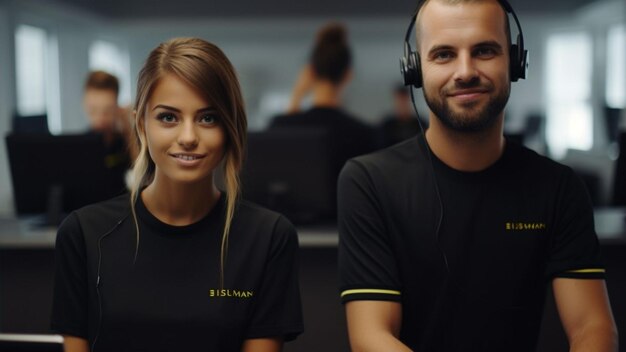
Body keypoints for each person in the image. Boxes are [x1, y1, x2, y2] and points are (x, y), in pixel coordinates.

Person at [338, 1, 618, 351]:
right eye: (443, 55)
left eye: (485, 50)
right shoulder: (369, 182)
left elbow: (592, 327)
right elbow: (371, 336)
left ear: (515, 62)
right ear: (415, 70)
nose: (465, 71)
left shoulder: (558, 187)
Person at [51, 37, 303, 351]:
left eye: (208, 118)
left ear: (230, 127)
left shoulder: (267, 237)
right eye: (168, 117)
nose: (188, 137)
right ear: (141, 125)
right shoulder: (84, 234)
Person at [269, 22, 375, 182]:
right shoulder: (365, 134)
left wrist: (296, 95)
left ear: (310, 72)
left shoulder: (282, 127)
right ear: (348, 75)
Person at [83, 70, 135, 193]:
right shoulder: (81, 147)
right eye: (93, 110)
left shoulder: (126, 141)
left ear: (117, 107)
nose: (100, 118)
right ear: (85, 105)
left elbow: (142, 176)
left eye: (107, 110)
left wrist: (129, 128)